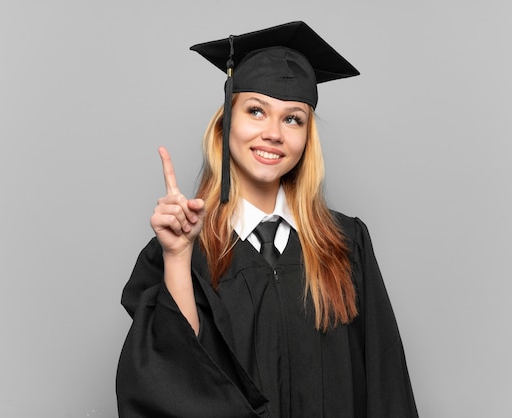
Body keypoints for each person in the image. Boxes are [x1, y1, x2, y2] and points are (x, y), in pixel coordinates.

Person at [116, 21, 418, 418]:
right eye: (256, 111)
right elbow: (175, 378)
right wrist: (177, 257)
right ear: (226, 123)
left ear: (307, 137)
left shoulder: (346, 242)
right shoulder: (184, 244)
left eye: (293, 119)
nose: (273, 133)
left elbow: (385, 383)